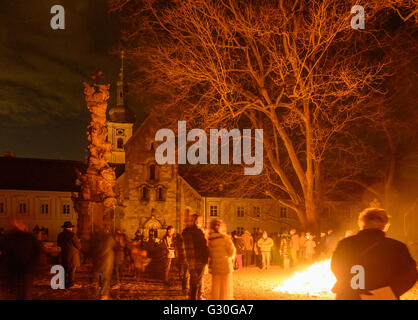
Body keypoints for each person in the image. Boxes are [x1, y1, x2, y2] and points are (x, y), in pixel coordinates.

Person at [331, 208, 417, 300]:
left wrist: (350, 285)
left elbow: (336, 267)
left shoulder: (345, 244)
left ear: (361, 223)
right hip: (382, 297)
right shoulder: (397, 247)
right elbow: (410, 275)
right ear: (384, 225)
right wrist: (392, 291)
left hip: (349, 295)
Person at [0, 220, 41, 299]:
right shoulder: (29, 237)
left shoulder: (7, 238)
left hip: (14, 270)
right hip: (24, 270)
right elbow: (37, 253)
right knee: (23, 292)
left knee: (15, 292)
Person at [182, 214, 209, 300]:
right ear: (195, 221)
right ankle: (193, 298)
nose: (200, 223)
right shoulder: (192, 232)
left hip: (199, 260)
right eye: (199, 221)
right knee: (195, 282)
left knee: (197, 281)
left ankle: (197, 296)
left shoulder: (194, 232)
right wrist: (191, 264)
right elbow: (189, 249)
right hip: (197, 260)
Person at [208, 219, 235, 300]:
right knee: (225, 287)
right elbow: (231, 252)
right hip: (225, 266)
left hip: (215, 266)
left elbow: (210, 253)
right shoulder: (225, 238)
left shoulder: (210, 240)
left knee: (215, 287)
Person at [90, 228, 116, 300]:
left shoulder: (95, 240)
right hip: (106, 262)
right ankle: (104, 295)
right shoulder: (109, 239)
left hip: (97, 262)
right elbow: (115, 246)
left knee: (97, 279)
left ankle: (96, 293)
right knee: (105, 279)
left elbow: (91, 250)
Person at [57, 221, 81, 289]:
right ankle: (71, 284)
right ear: (70, 228)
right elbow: (78, 246)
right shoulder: (73, 235)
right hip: (72, 255)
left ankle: (64, 284)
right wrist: (79, 242)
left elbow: (59, 244)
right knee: (72, 270)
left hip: (64, 255)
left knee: (64, 270)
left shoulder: (60, 235)